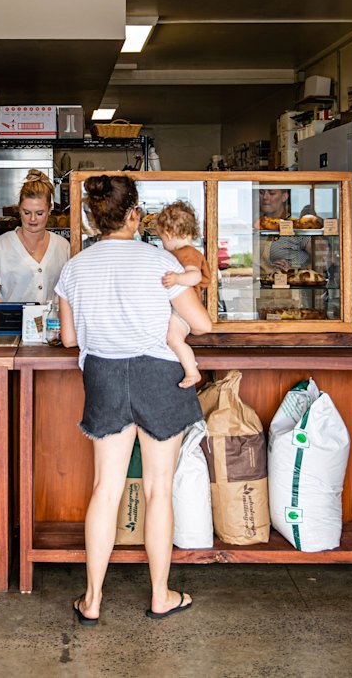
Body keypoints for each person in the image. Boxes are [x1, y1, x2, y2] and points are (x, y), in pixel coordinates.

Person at [55, 174, 212, 625]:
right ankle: (160, 595)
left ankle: (92, 601)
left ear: (92, 217)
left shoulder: (75, 267)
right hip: (159, 376)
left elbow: (68, 339)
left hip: (103, 375)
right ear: (134, 214)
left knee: (106, 490)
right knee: (159, 490)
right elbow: (200, 325)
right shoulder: (158, 259)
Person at [0, 169, 70, 303]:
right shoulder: (1, 246)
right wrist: (10, 317)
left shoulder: (63, 247)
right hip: (12, 323)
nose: (32, 219)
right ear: (19, 208)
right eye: (26, 212)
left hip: (53, 323)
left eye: (39, 213)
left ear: (50, 209)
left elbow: (70, 292)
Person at [156, 201, 212, 388]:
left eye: (162, 238)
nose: (163, 244)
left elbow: (195, 276)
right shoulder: (185, 252)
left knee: (173, 339)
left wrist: (178, 279)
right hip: (180, 309)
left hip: (183, 312)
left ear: (170, 234)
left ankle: (191, 371)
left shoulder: (187, 253)